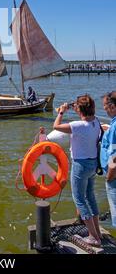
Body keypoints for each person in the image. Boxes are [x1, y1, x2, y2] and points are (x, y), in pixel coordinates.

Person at [53, 94, 102, 247]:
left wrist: (61, 112)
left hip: (80, 165)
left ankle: (94, 237)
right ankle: (97, 232)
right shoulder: (96, 122)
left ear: (80, 109)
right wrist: (75, 107)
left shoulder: (77, 126)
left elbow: (56, 126)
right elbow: (85, 117)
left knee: (79, 199)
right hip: (93, 164)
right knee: (90, 197)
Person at [100, 91, 116, 228]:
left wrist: (109, 176)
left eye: (105, 107)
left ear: (113, 106)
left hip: (114, 178)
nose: (104, 110)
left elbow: (115, 155)